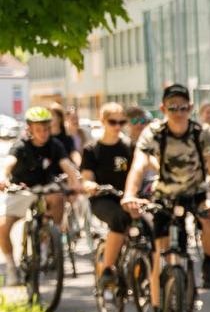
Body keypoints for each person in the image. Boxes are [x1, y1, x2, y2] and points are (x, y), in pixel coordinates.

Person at [122, 84, 210, 311]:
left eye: (183, 108)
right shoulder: (154, 132)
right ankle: (158, 311)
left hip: (195, 192)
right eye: (172, 108)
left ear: (190, 108)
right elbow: (139, 165)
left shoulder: (204, 133)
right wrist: (130, 194)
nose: (178, 113)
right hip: (165, 195)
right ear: (163, 109)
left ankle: (209, 264)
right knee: (159, 253)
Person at [0, 106, 83, 284]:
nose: (44, 133)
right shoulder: (21, 145)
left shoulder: (55, 145)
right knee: (3, 227)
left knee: (58, 198)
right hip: (22, 189)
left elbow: (66, 165)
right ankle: (11, 266)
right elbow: (9, 162)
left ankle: (49, 242)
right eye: (39, 129)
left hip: (46, 188)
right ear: (29, 128)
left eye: (46, 128)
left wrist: (75, 183)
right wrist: (3, 178)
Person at [80, 103, 135, 286]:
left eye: (122, 122)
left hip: (127, 197)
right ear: (102, 121)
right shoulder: (92, 149)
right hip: (103, 199)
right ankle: (107, 268)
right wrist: (90, 185)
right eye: (113, 122)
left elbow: (142, 166)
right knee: (119, 218)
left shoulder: (129, 146)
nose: (118, 126)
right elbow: (87, 177)